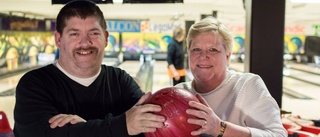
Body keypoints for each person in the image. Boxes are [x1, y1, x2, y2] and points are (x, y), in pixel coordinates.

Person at [13, 0, 165, 137]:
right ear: (58, 40)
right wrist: (124, 125)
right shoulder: (34, 84)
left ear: (105, 38)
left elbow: (149, 130)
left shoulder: (120, 80)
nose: (85, 43)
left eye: (93, 33)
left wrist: (82, 128)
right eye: (74, 34)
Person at [176, 16, 287, 137]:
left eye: (213, 50)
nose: (203, 56)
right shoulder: (178, 94)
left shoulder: (247, 86)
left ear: (227, 57)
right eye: (196, 49)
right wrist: (152, 131)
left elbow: (278, 135)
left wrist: (220, 128)